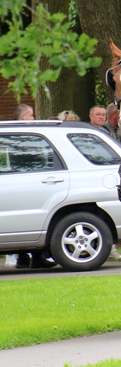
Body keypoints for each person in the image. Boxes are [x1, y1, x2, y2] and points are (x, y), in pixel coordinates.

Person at [8, 104, 57, 269]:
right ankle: (35, 257)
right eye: (31, 115)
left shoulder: (12, 135)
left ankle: (24, 258)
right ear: (23, 117)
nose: (33, 118)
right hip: (27, 182)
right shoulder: (25, 136)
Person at [88, 104, 121, 259]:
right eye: (98, 114)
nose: (101, 117)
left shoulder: (107, 132)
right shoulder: (88, 133)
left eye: (103, 115)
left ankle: (111, 248)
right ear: (91, 116)